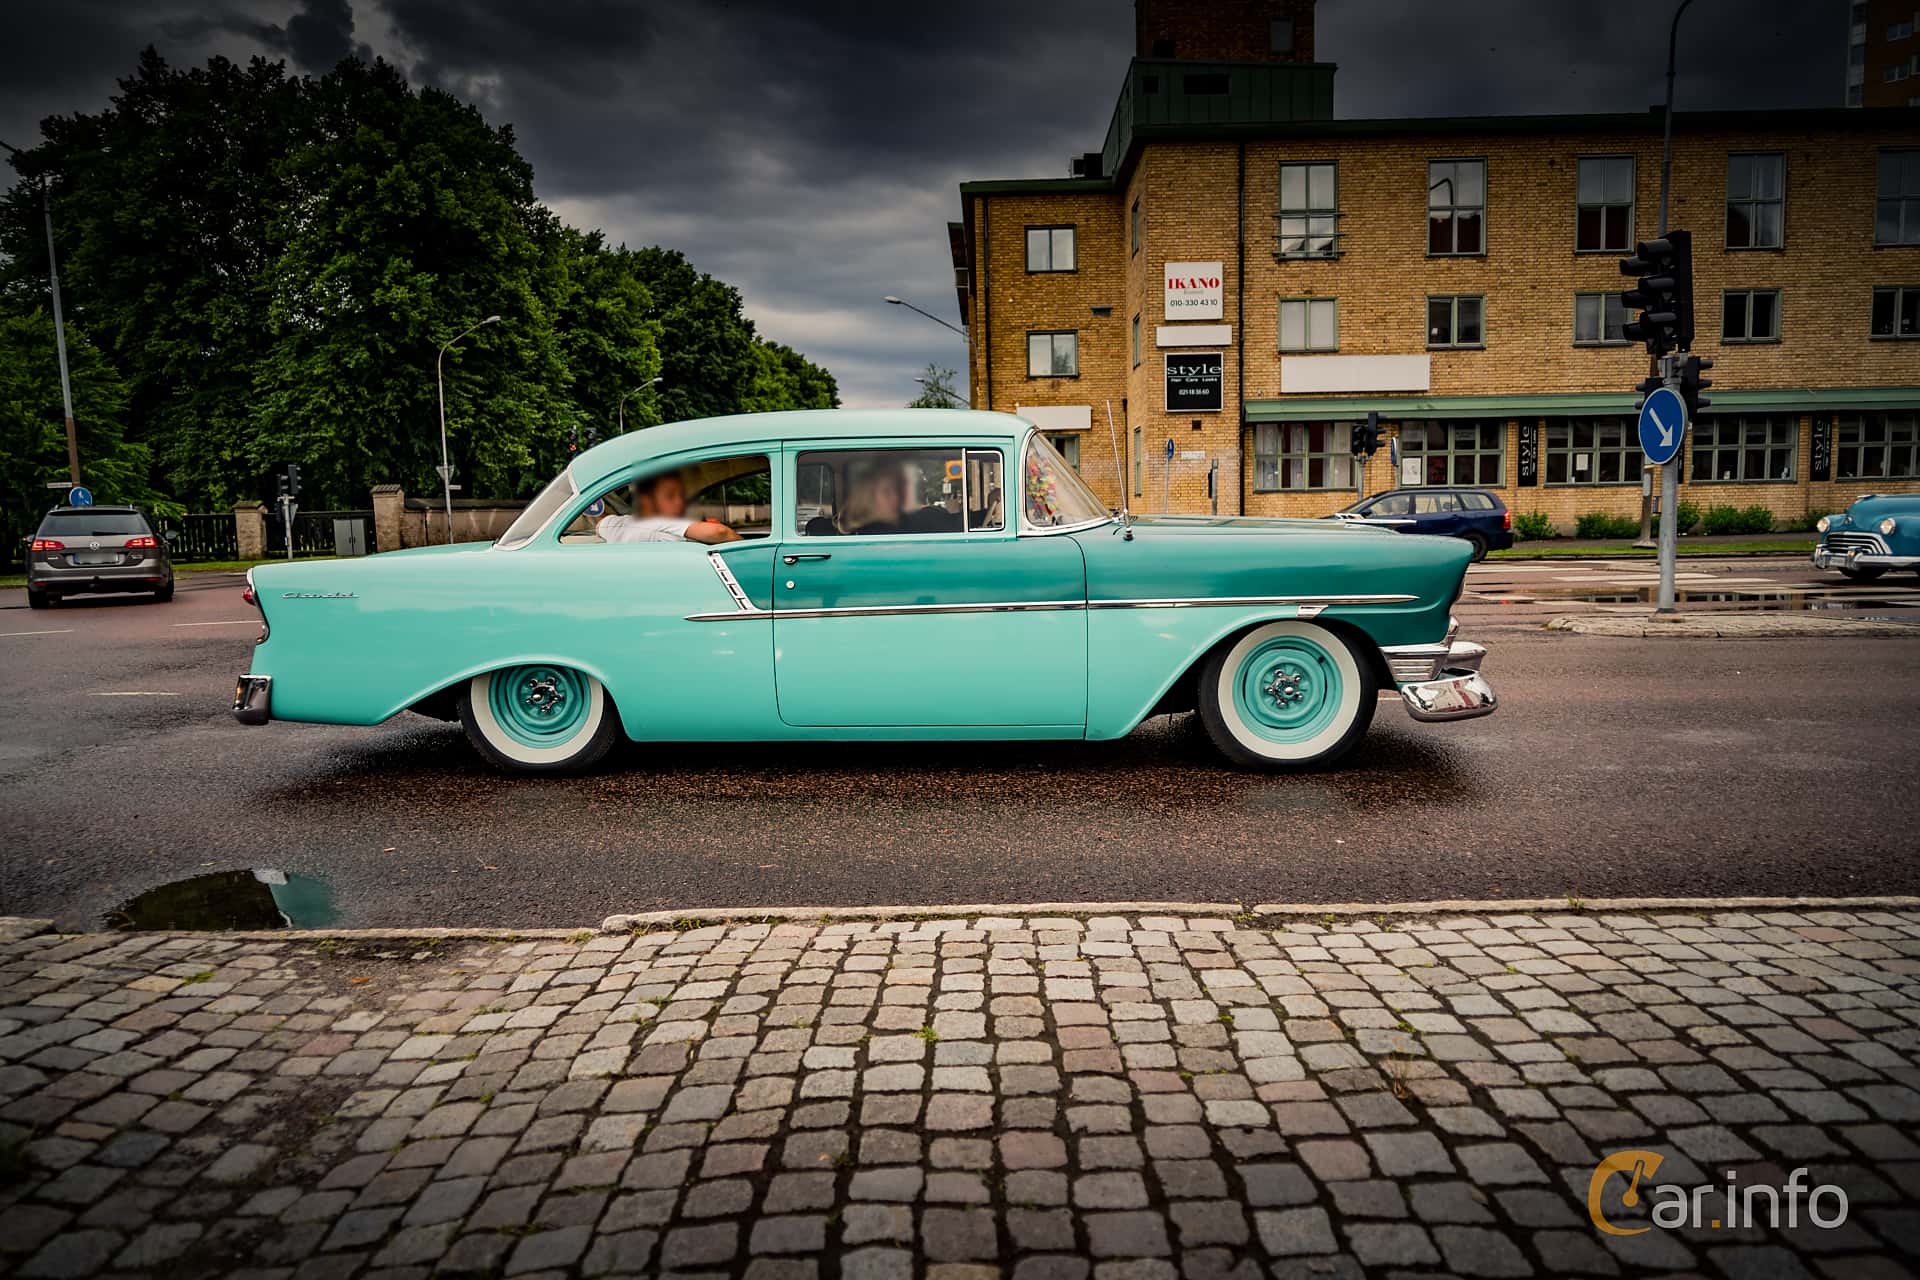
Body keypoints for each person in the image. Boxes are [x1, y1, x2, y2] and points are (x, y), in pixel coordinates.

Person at [597, 473, 738, 544]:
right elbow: (720, 532)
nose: (679, 501)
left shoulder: (613, 524)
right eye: (670, 496)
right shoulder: (660, 521)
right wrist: (744, 545)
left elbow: (599, 517)